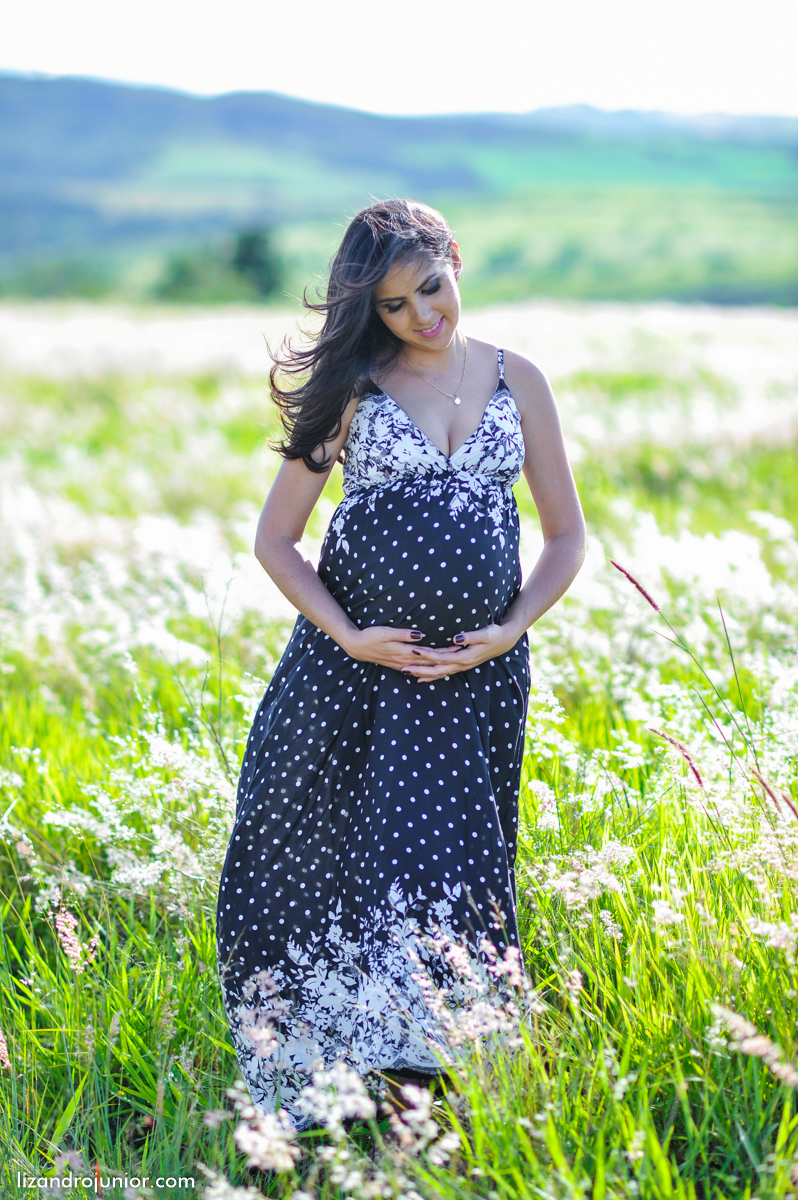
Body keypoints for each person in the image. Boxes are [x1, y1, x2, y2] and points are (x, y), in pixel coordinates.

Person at [215, 199, 585, 1126]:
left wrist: (512, 628)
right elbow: (276, 539)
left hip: (477, 680)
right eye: (392, 305)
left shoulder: (520, 380)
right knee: (321, 860)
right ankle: (328, 1092)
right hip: (352, 677)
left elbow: (566, 537)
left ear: (455, 259)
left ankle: (435, 1098)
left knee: (450, 873)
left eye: (431, 287)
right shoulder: (356, 386)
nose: (421, 315)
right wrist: (350, 635)